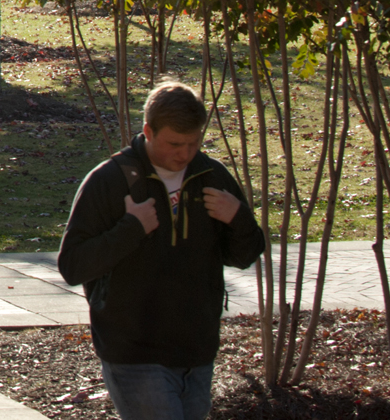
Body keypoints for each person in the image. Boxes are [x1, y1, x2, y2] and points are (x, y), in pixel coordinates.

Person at [59, 82, 263, 420]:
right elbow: (73, 265)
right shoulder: (110, 181)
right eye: (174, 143)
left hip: (197, 351)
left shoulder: (212, 176)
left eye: (194, 142)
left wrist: (238, 218)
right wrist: (131, 229)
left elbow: (245, 255)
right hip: (134, 351)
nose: (185, 154)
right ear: (148, 131)